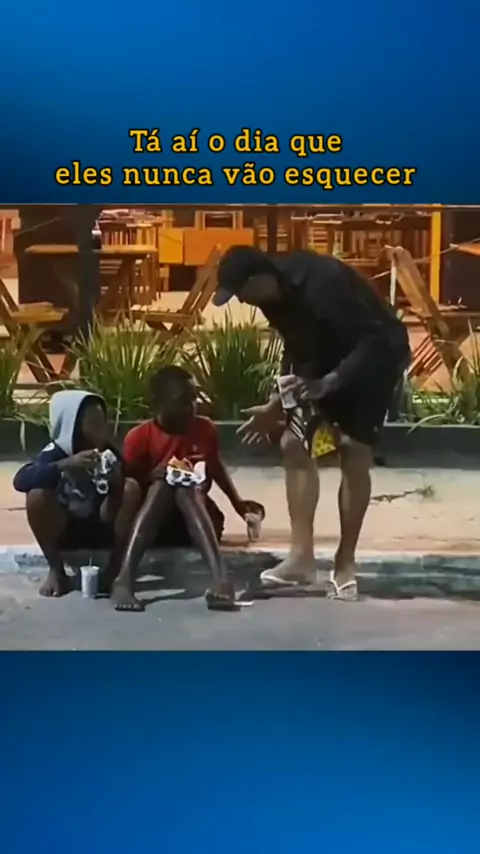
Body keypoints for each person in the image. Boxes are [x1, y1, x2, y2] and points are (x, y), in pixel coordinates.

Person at [212, 245, 411, 600]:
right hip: (321, 366)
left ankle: (345, 563)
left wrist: (329, 383)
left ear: (258, 279)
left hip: (373, 363)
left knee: (353, 452)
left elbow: (372, 339)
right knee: (293, 445)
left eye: (241, 292)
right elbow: (296, 346)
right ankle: (301, 558)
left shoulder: (323, 282)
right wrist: (279, 402)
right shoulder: (269, 298)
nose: (241, 301)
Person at [115, 365, 265, 612]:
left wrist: (237, 503)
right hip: (156, 526)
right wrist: (151, 476)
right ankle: (124, 578)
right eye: (182, 401)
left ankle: (221, 578)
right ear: (159, 404)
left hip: (196, 524)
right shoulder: (139, 437)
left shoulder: (204, 428)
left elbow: (215, 466)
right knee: (165, 483)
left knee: (186, 488)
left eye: (194, 398)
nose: (191, 406)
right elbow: (128, 487)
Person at [13, 390, 141, 599]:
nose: (103, 430)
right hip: (66, 531)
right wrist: (66, 464)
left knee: (131, 487)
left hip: (101, 528)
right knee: (36, 495)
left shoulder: (108, 453)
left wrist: (116, 481)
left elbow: (112, 510)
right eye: (94, 424)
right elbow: (20, 480)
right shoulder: (56, 452)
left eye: (103, 423)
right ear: (72, 426)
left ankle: (114, 570)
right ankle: (57, 570)